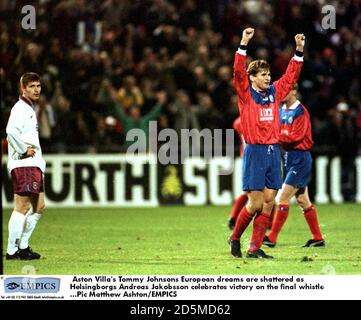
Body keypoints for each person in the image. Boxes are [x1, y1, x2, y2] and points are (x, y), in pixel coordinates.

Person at [229, 27, 305, 259]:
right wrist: (243, 43)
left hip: (274, 152)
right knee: (255, 203)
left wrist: (299, 51)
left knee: (269, 201)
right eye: (262, 74)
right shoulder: (245, 93)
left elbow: (291, 76)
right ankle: (234, 238)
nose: (267, 77)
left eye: (268, 73)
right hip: (255, 151)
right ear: (252, 77)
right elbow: (237, 73)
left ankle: (254, 247)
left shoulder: (274, 92)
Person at [263, 84, 325, 248]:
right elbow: (275, 129)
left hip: (301, 159)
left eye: (284, 91)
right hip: (289, 157)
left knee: (282, 198)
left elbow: (296, 137)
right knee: (303, 201)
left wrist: (278, 136)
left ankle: (272, 238)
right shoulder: (281, 109)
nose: (280, 94)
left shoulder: (300, 111)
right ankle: (317, 237)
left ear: (294, 91)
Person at [5, 72, 46, 260]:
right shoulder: (20, 108)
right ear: (23, 89)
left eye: (38, 86)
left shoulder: (29, 109)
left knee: (39, 207)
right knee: (22, 207)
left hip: (33, 164)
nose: (36, 89)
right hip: (25, 164)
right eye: (32, 86)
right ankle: (12, 251)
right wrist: (22, 150)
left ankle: (23, 245)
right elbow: (10, 132)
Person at [228, 117, 248, 230]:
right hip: (255, 156)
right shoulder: (255, 118)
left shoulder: (238, 121)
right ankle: (234, 217)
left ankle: (233, 216)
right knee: (268, 190)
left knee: (248, 190)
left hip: (245, 156)